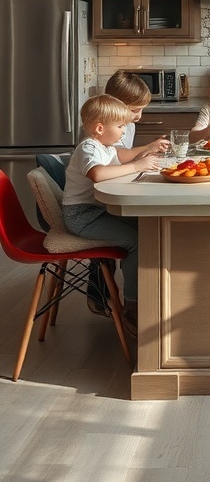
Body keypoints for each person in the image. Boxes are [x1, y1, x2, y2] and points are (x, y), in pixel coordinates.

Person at [62, 94, 163, 336]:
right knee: (136, 241)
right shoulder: (88, 147)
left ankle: (151, 292)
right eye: (120, 126)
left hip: (96, 211)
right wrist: (138, 166)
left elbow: (120, 157)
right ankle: (132, 306)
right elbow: (97, 174)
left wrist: (146, 153)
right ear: (99, 128)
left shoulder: (103, 146)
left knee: (149, 226)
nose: (124, 130)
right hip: (82, 217)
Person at [104, 70, 170, 161]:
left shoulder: (130, 125)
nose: (139, 116)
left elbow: (127, 156)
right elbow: (117, 155)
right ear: (114, 104)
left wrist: (150, 150)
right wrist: (148, 147)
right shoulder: (106, 126)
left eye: (142, 110)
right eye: (134, 110)